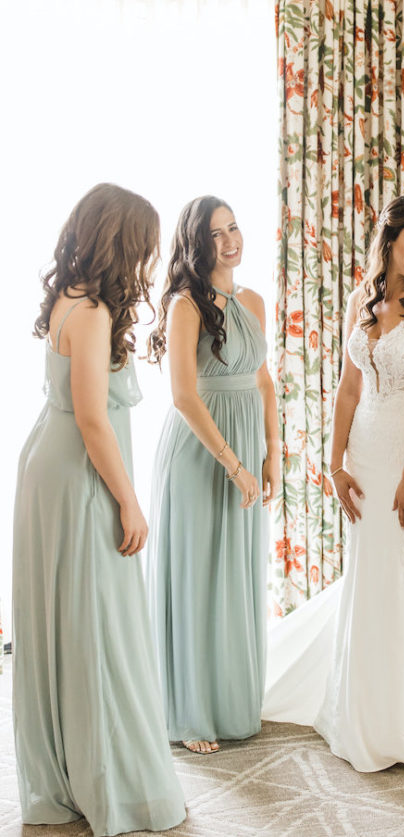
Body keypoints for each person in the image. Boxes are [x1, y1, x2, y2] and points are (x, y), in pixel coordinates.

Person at [12, 183, 186, 836]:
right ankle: (109, 777)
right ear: (124, 243)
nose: (150, 258)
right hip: (77, 473)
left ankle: (75, 768)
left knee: (75, 620)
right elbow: (92, 417)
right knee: (95, 625)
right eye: (145, 245)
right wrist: (129, 500)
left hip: (50, 463)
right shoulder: (89, 312)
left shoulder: (73, 298)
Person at [309, 194, 404, 775]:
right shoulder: (361, 299)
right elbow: (348, 389)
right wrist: (335, 462)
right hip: (366, 456)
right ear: (390, 240)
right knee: (369, 580)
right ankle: (364, 718)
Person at [145, 196, 279, 754]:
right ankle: (191, 713)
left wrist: (274, 453)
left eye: (234, 227)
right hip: (203, 452)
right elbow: (182, 394)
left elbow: (264, 380)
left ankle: (231, 703)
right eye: (215, 234)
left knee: (237, 574)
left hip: (248, 443)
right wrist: (234, 463)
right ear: (196, 245)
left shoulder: (253, 300)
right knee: (198, 576)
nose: (230, 241)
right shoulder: (186, 305)